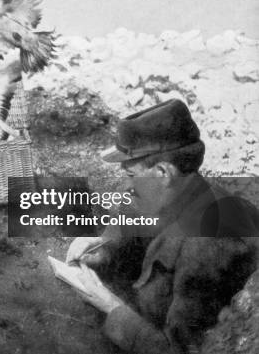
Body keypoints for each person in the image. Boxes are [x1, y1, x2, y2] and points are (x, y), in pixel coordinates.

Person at [65, 99, 258, 354]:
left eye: (131, 175)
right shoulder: (179, 193)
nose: (126, 186)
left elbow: (183, 350)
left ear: (162, 173)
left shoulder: (208, 244)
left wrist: (111, 306)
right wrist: (105, 249)